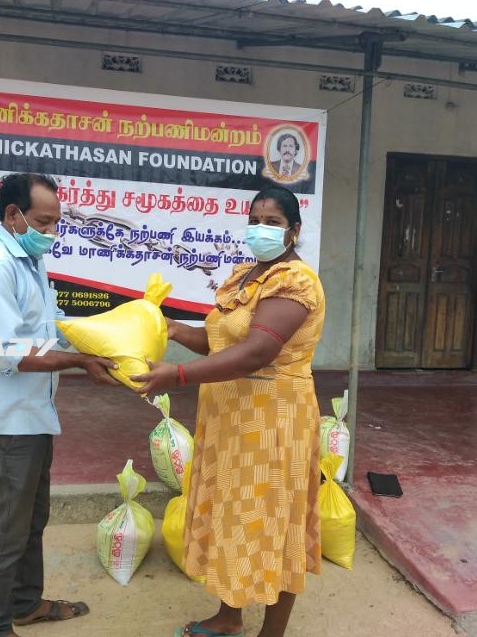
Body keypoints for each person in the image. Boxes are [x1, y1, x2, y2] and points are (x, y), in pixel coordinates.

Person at [131, 186, 326, 637]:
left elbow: (257, 351)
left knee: (274, 519)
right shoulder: (246, 276)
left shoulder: (296, 281)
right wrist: (174, 328)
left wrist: (177, 375)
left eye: (272, 222)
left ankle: (271, 632)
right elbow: (221, 341)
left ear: (294, 231)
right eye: (254, 220)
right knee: (233, 513)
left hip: (274, 422)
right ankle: (228, 616)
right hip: (230, 419)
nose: (260, 229)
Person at [0, 172, 119, 637]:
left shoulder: (29, 262)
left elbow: (46, 328)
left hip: (30, 418)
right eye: (44, 222)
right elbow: (9, 352)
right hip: (3, 426)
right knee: (9, 532)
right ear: (13, 215)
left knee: (31, 520)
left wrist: (112, 335)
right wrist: (79, 361)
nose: (52, 232)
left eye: (55, 222)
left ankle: (25, 604)